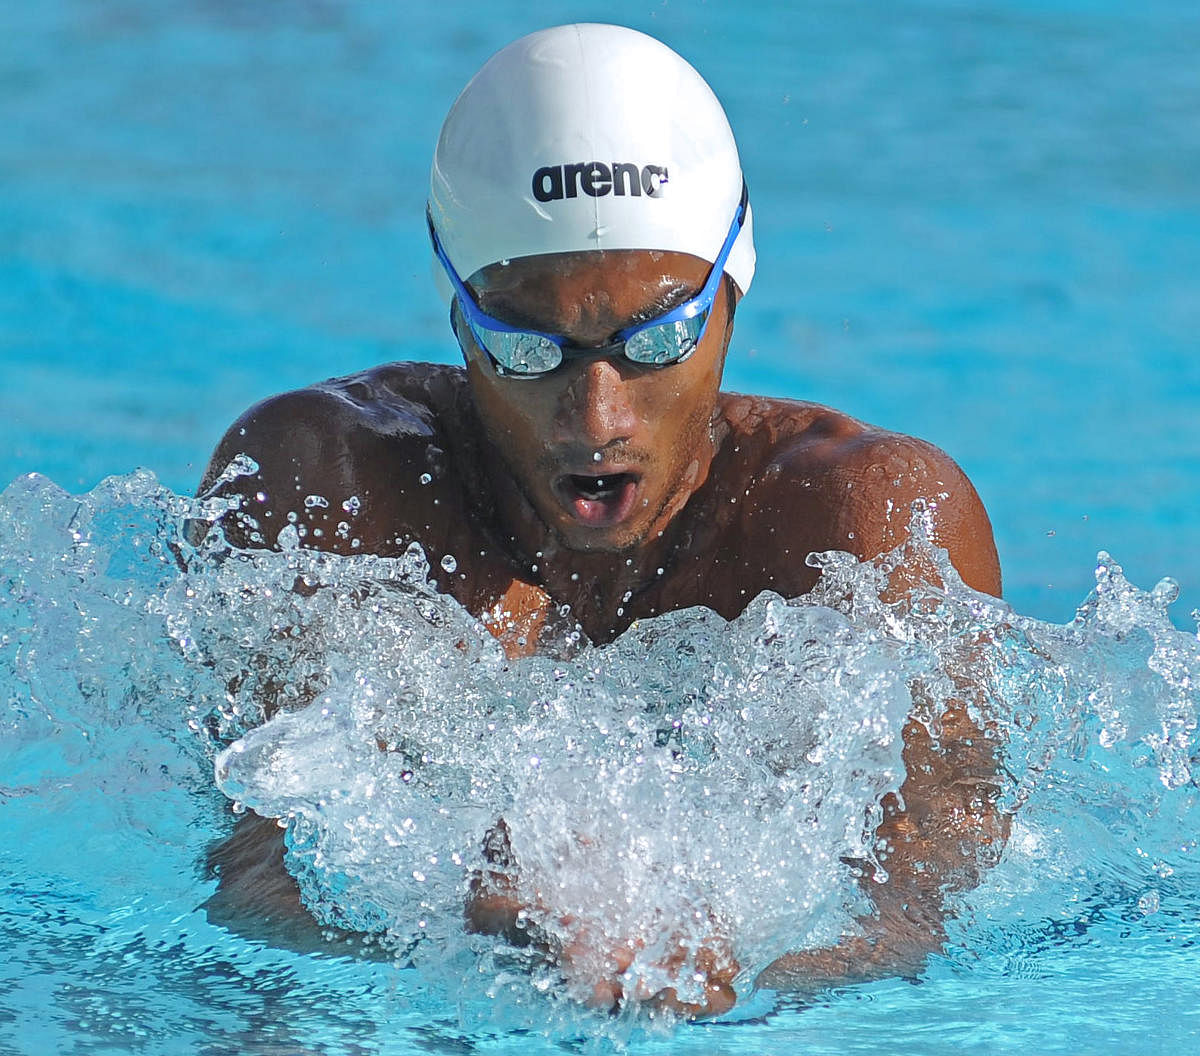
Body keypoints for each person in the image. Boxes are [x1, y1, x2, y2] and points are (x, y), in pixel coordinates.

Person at [198, 23, 1006, 1019]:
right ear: (458, 312)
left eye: (659, 338)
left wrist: (736, 987)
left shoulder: (872, 527)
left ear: (733, 294)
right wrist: (448, 944)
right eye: (530, 349)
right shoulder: (330, 489)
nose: (597, 419)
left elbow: (917, 925)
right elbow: (250, 888)